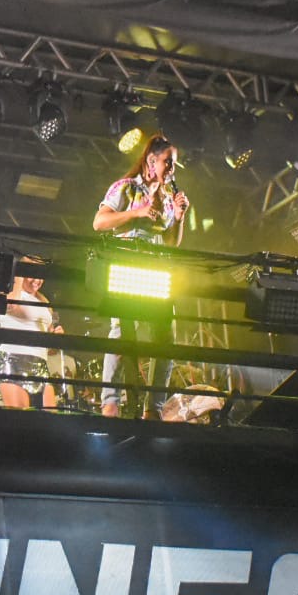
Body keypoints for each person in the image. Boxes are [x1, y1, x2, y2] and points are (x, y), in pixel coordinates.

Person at [92, 135, 190, 418]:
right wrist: (138, 213)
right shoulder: (126, 187)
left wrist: (179, 217)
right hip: (125, 269)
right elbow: (99, 222)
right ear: (151, 160)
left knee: (164, 339)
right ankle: (110, 402)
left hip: (157, 274)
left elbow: (171, 243)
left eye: (174, 164)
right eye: (168, 161)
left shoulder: (169, 199)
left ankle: (153, 408)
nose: (172, 168)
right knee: (122, 333)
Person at [0, 262, 64, 409]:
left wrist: (56, 337)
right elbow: (10, 306)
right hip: (14, 360)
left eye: (40, 277)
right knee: (20, 415)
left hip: (40, 364)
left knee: (50, 416)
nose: (37, 281)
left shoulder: (43, 300)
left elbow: (49, 345)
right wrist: (18, 276)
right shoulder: (10, 293)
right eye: (32, 275)